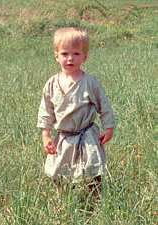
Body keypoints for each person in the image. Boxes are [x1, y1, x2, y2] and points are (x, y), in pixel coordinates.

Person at [37, 27, 115, 193]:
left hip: (86, 137)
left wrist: (108, 127)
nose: (70, 58)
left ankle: (93, 204)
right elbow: (46, 110)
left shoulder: (90, 82)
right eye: (65, 54)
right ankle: (64, 203)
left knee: (92, 172)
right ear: (56, 56)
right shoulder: (51, 84)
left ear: (84, 56)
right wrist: (45, 135)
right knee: (59, 173)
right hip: (63, 138)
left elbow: (104, 105)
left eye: (76, 54)